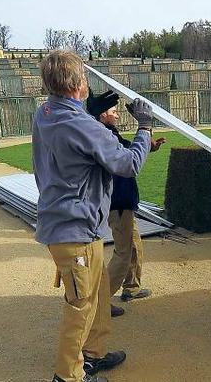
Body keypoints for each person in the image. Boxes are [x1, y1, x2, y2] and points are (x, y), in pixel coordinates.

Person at [32, 50, 155, 382]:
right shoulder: (83, 125)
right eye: (84, 77)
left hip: (73, 225)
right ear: (77, 83)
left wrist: (92, 111)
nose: (87, 82)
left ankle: (94, 353)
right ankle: (68, 375)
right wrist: (144, 128)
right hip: (76, 231)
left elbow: (72, 131)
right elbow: (128, 164)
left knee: (98, 292)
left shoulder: (44, 112)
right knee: (80, 306)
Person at [86, 90, 166, 318]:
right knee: (124, 251)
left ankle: (131, 287)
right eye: (113, 112)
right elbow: (126, 159)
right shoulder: (103, 135)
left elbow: (127, 150)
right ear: (103, 116)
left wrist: (148, 146)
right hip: (118, 203)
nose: (118, 115)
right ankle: (101, 301)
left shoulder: (106, 133)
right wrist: (144, 126)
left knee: (134, 246)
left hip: (122, 201)